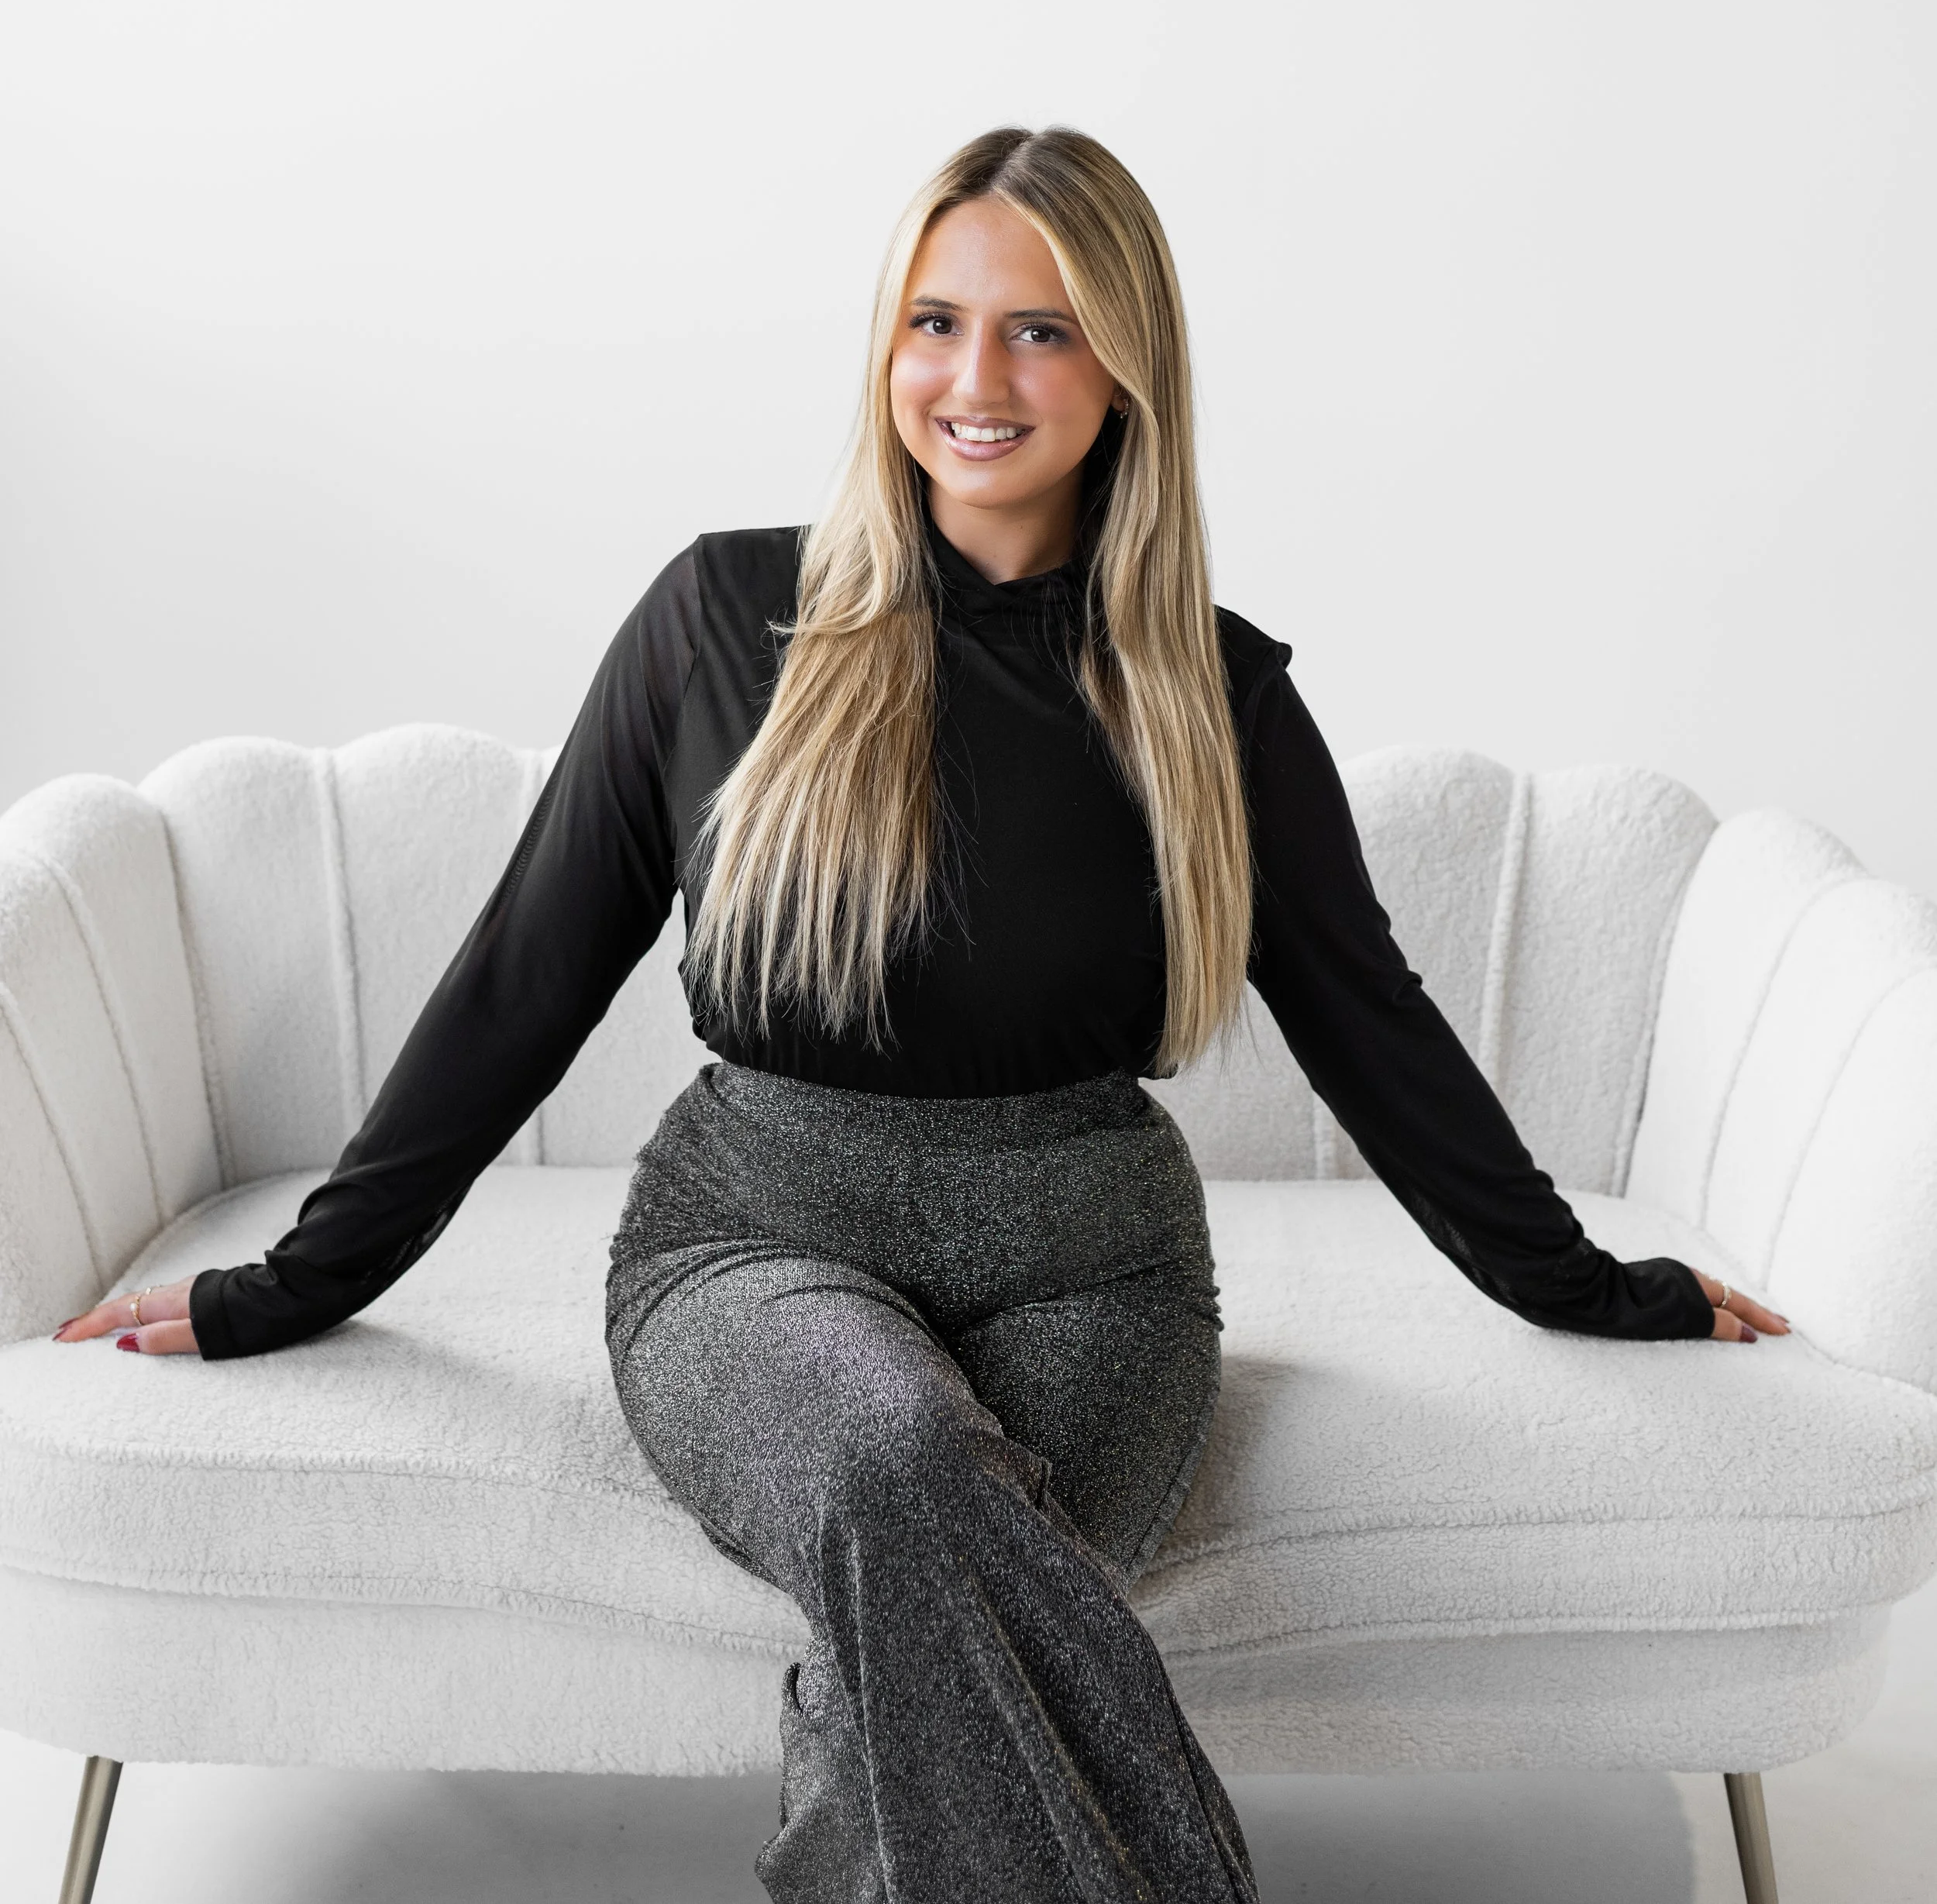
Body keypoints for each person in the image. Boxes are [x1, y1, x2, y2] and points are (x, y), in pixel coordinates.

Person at [57, 126, 1787, 1902]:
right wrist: (298, 1284)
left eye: (1040, 331)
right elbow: (522, 974)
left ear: (1124, 370)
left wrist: (1587, 1287)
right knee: (897, 1466)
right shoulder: (725, 616)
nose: (975, 380)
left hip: (1095, 1267)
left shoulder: (1213, 692)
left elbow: (1373, 1027)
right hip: (751, 1237)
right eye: (933, 322)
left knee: (919, 1660)